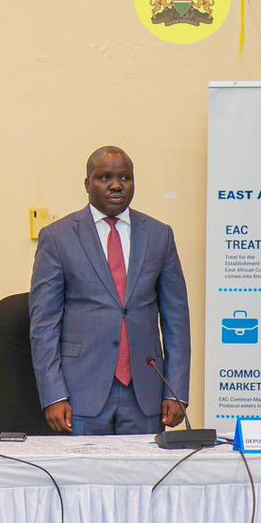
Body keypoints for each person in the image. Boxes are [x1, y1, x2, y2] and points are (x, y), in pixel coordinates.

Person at [29, 146, 190, 435]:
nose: (116, 185)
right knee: (80, 479)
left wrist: (175, 391)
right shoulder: (57, 237)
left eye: (125, 178)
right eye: (104, 177)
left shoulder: (159, 235)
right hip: (79, 393)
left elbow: (176, 320)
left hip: (145, 393)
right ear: (87, 184)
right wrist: (54, 394)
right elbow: (44, 324)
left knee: (146, 478)